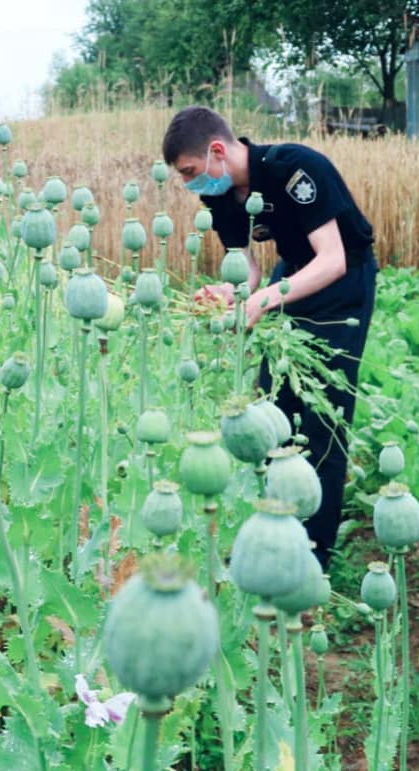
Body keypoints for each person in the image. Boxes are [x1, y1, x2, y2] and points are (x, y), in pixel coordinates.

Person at [162, 105, 378, 569]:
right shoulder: (221, 197)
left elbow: (333, 259)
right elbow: (250, 273)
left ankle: (312, 559)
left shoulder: (297, 168)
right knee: (275, 409)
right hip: (290, 277)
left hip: (343, 283)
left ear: (217, 150)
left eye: (191, 172)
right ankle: (277, 528)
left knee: (323, 413)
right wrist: (230, 292)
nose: (191, 185)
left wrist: (264, 303)